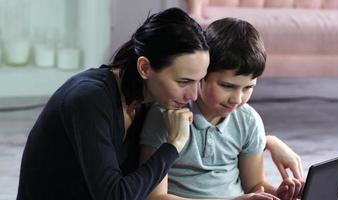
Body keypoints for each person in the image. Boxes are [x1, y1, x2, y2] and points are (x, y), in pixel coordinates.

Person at [16, 8, 210, 200]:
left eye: (200, 81)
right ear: (144, 68)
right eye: (183, 82)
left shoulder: (149, 101)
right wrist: (174, 144)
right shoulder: (89, 99)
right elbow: (115, 196)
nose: (193, 95)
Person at [140, 18, 304, 200]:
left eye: (248, 87)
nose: (237, 99)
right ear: (201, 75)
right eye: (227, 86)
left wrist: (277, 194)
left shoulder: (248, 120)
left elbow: (255, 184)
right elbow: (155, 197)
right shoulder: (166, 117)